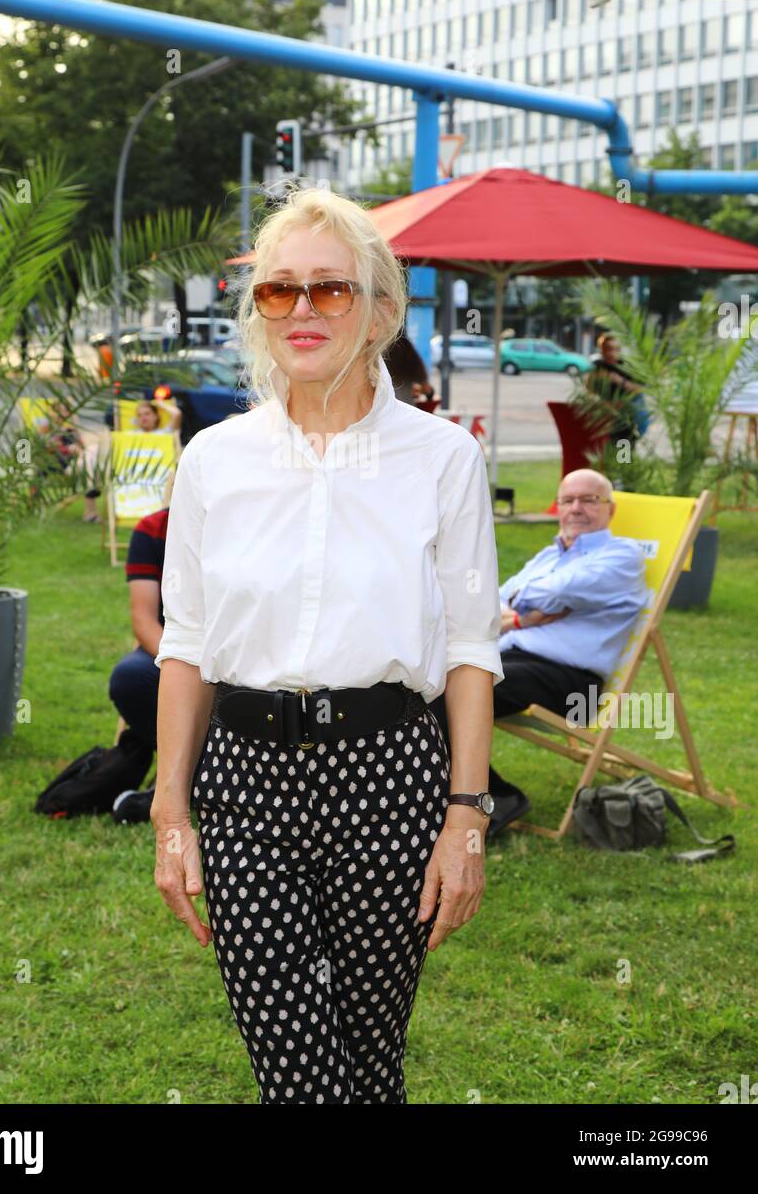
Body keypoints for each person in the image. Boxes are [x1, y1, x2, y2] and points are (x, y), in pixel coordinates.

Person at [151, 187, 503, 1106]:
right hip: (245, 781)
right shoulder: (213, 460)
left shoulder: (442, 458)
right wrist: (169, 810)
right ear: (256, 311)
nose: (302, 311)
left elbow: (470, 648)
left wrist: (466, 818)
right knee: (296, 1068)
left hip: (389, 776)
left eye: (331, 290)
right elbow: (183, 646)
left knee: (370, 1056)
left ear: (382, 309)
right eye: (278, 292)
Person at [430, 467, 648, 834]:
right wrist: (521, 618)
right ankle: (459, 798)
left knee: (451, 697)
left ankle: (497, 800)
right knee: (427, 685)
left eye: (589, 500)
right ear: (558, 507)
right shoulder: (550, 555)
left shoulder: (623, 555)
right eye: (568, 500)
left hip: (574, 684)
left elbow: (554, 591)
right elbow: (489, 602)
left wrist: (520, 604)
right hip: (514, 657)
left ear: (610, 510)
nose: (576, 508)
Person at [108, 472, 176, 825]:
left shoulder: (256, 525)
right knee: (130, 677)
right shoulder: (153, 530)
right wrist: (185, 665)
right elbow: (144, 620)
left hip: (245, 652)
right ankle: (192, 775)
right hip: (174, 646)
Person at [583, 333, 649, 448]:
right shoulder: (598, 367)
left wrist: (619, 380)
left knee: (624, 439)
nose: (611, 353)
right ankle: (618, 461)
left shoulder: (628, 367)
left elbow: (640, 390)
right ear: (601, 350)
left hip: (629, 414)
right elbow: (589, 391)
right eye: (607, 349)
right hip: (609, 414)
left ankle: (623, 462)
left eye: (615, 349)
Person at [382, 331, 436, 406]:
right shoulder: (410, 357)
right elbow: (427, 390)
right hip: (406, 407)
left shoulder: (381, 357)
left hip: (385, 409)